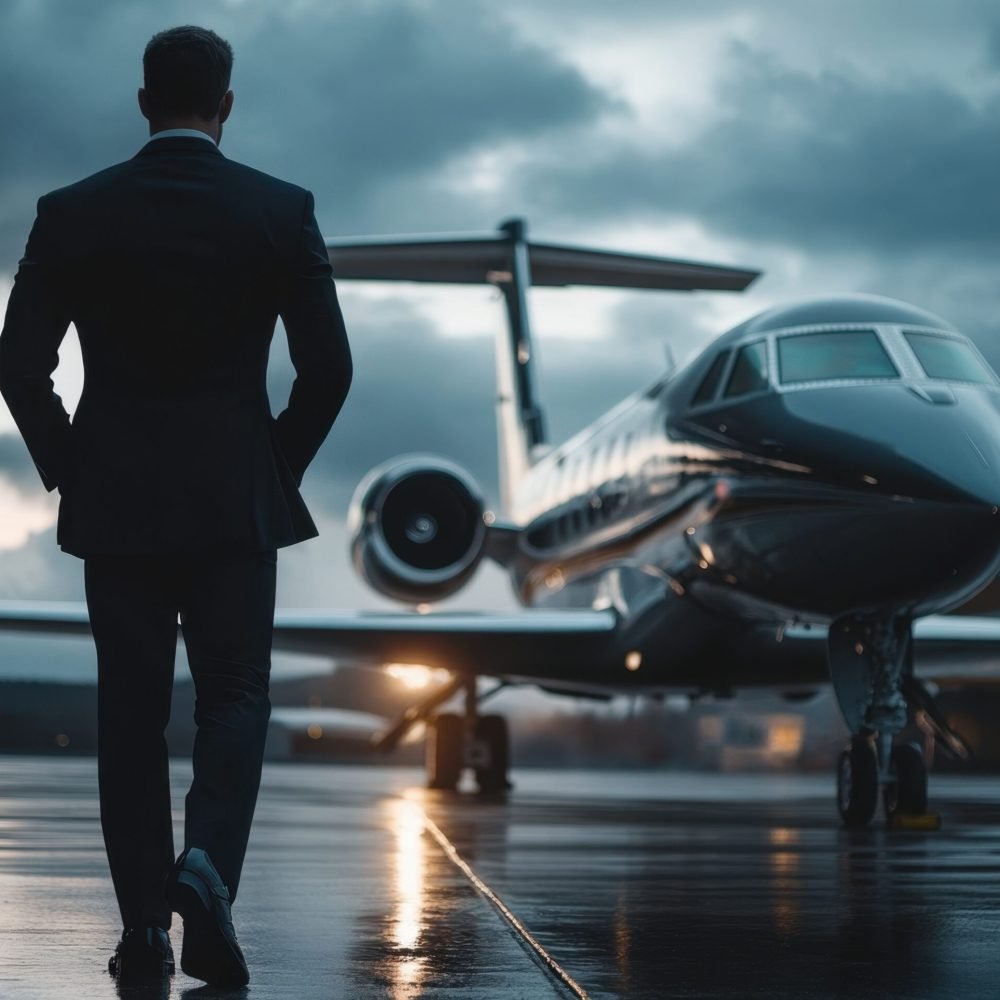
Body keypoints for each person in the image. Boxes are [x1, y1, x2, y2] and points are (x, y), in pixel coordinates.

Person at [0, 25, 352, 987]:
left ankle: (146, 931)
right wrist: (267, 466)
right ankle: (207, 874)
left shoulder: (72, 211)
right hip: (235, 503)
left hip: (117, 504)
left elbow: (18, 364)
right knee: (235, 696)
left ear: (144, 100)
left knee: (132, 714)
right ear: (225, 105)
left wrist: (72, 464)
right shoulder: (279, 210)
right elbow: (330, 370)